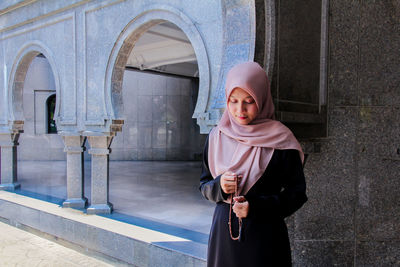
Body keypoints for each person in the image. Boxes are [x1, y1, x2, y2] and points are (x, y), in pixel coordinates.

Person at [199, 62, 307, 267]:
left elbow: (297, 194)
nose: (240, 110)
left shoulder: (281, 140)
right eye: (233, 101)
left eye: (249, 101)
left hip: (265, 239)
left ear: (262, 98)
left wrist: (256, 207)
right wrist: (220, 187)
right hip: (224, 238)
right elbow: (204, 185)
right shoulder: (216, 137)